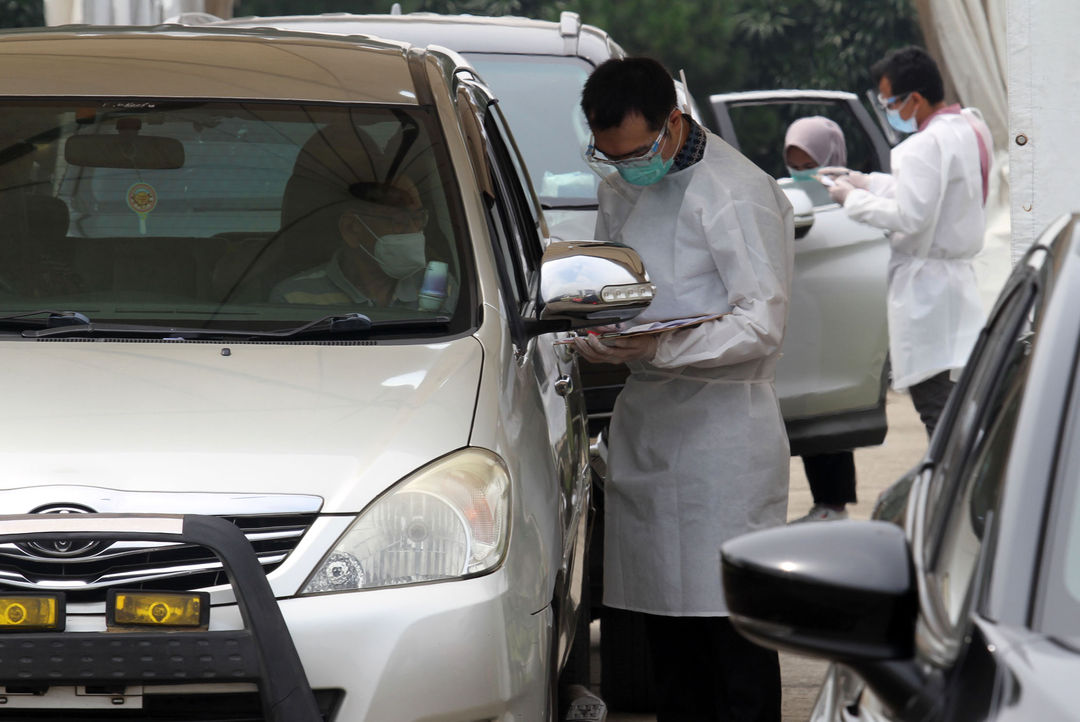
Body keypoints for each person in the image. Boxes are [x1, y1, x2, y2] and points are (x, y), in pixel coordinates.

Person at [573, 57, 793, 722]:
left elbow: (763, 322)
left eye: (637, 152)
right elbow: (617, 278)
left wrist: (665, 346)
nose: (626, 167)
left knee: (732, 637)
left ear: (673, 121)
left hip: (725, 438)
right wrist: (595, 328)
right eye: (609, 155)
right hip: (649, 431)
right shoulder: (624, 180)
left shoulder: (735, 190)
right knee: (665, 638)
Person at [823, 46, 991, 438]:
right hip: (955, 281)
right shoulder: (969, 126)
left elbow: (910, 216)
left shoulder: (921, 146)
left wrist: (852, 199)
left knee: (937, 408)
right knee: (957, 405)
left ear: (914, 99)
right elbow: (931, 194)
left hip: (927, 290)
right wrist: (868, 181)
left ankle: (947, 494)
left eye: (889, 102)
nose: (887, 110)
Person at [783, 116, 859, 522]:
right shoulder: (788, 194)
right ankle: (824, 502)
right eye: (792, 161)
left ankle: (834, 503)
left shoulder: (853, 192)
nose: (800, 170)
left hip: (839, 314)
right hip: (801, 315)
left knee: (831, 411)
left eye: (807, 160)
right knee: (807, 406)